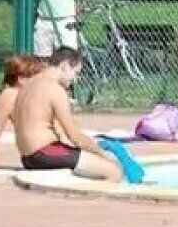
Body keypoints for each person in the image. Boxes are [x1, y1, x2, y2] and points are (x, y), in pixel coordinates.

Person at [11, 48, 122, 181]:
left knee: (87, 160)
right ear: (65, 66)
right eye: (75, 73)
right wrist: (103, 154)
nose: (75, 79)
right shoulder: (55, 89)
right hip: (44, 153)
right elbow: (74, 136)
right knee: (114, 172)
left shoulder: (29, 84)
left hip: (27, 157)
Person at [0, 54, 47, 168]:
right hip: (41, 153)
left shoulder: (35, 94)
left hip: (38, 153)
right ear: (21, 79)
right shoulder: (10, 95)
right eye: (35, 76)